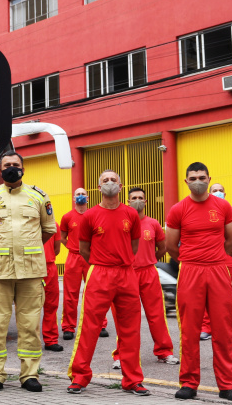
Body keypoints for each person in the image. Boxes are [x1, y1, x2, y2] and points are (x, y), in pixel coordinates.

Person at [0, 152, 55, 393]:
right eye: (7, 165)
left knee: (30, 325)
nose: (11, 168)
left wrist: (26, 249)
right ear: (0, 170)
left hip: (30, 272)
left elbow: (48, 229)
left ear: (23, 168)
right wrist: (2, 250)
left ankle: (29, 375)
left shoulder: (38, 196)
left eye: (15, 165)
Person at [165, 162, 232, 402]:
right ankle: (188, 383)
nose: (197, 180)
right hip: (190, 271)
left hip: (218, 269)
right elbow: (170, 246)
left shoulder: (223, 206)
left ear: (209, 178)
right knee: (189, 330)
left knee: (222, 328)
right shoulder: (178, 210)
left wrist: (213, 258)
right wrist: (191, 261)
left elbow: (231, 242)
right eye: (193, 177)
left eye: (202, 176)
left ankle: (228, 385)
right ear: (186, 181)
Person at [67, 170, 149, 397]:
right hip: (99, 274)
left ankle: (132, 380)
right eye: (105, 180)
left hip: (126, 274)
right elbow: (84, 250)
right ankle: (80, 376)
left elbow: (133, 246)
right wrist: (102, 263)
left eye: (114, 180)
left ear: (121, 187)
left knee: (130, 329)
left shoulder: (131, 214)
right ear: (99, 186)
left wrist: (120, 262)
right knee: (90, 326)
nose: (110, 183)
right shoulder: (90, 216)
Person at [111, 187, 177, 368]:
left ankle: (164, 352)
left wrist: (152, 260)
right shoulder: (122, 223)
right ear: (128, 201)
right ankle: (122, 355)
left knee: (156, 315)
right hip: (127, 273)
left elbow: (162, 246)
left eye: (141, 198)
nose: (137, 200)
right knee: (125, 317)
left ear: (145, 202)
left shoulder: (153, 224)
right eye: (134, 198)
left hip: (149, 273)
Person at [60, 189, 108, 340]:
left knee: (96, 292)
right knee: (70, 294)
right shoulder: (67, 217)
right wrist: (72, 248)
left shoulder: (94, 214)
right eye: (77, 194)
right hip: (73, 258)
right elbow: (62, 237)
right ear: (74, 198)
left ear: (87, 197)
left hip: (91, 257)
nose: (80, 196)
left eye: (83, 194)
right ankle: (68, 327)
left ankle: (100, 324)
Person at [200, 183, 232, 341]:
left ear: (226, 193)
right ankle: (206, 326)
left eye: (220, 190)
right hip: (208, 259)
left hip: (229, 259)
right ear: (209, 193)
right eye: (214, 190)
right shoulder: (202, 210)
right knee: (205, 294)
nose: (218, 192)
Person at [42, 219, 63, 352]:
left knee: (51, 304)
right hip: (30, 269)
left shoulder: (53, 225)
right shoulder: (25, 224)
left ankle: (50, 340)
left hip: (49, 268)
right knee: (28, 308)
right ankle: (29, 342)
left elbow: (57, 249)